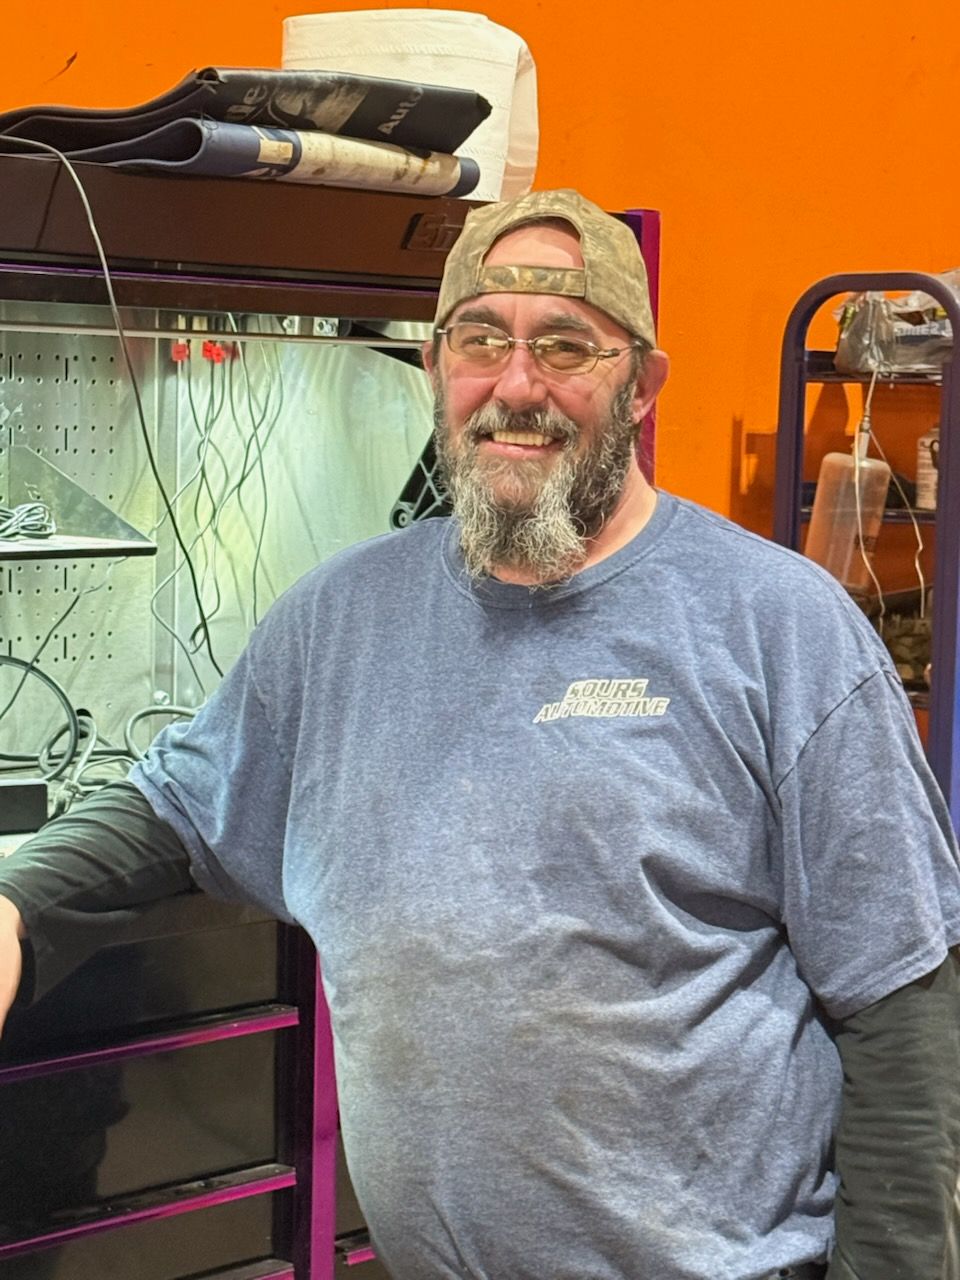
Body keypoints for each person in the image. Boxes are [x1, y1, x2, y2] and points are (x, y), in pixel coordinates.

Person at [0, 188, 959, 1280]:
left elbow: (903, 1004)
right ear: (434, 368)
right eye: (481, 340)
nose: (516, 385)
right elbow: (178, 802)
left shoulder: (779, 626)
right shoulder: (340, 618)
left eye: (566, 346)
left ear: (643, 385)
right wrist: (17, 905)